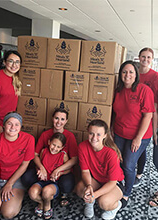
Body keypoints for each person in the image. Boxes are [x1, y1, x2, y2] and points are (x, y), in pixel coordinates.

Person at [112, 60, 155, 207]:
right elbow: (115, 112)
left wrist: (138, 138)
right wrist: (111, 128)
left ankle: (126, 193)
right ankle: (117, 185)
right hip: (119, 133)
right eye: (124, 72)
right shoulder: (118, 90)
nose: (127, 75)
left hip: (139, 135)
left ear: (136, 74)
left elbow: (148, 116)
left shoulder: (144, 90)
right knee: (117, 160)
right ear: (120, 75)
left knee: (129, 165)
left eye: (131, 72)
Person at [0, 112, 35, 219]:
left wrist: (9, 184)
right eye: (9, 123)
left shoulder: (29, 139)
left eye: (17, 124)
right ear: (3, 125)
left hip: (15, 177)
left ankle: (17, 196)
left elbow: (24, 165)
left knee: (7, 213)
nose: (13, 127)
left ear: (20, 127)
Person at [22, 108, 78, 207]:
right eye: (56, 118)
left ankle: (59, 193)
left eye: (62, 119)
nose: (59, 122)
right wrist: (41, 168)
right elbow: (35, 154)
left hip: (61, 170)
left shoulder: (70, 136)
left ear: (66, 121)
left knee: (67, 184)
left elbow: (74, 159)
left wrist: (58, 170)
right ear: (52, 118)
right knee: (26, 177)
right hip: (45, 168)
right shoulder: (45, 135)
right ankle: (40, 188)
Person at [76, 119, 124, 220]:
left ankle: (116, 206)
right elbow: (85, 171)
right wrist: (89, 186)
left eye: (98, 134)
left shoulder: (111, 153)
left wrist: (95, 194)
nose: (94, 138)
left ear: (105, 135)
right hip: (97, 179)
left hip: (114, 183)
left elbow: (112, 182)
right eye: (91, 134)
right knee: (80, 189)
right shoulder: (82, 147)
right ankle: (90, 204)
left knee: (103, 202)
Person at [29, 132, 70, 219]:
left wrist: (60, 173)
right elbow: (37, 165)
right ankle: (41, 203)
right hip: (42, 181)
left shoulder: (63, 155)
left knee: (46, 192)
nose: (55, 148)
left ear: (62, 147)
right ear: (49, 142)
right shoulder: (44, 151)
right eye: (53, 145)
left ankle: (47, 205)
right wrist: (39, 171)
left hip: (53, 183)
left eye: (58, 147)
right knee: (32, 193)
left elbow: (69, 169)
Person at [133, 48, 158, 188]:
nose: (145, 60)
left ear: (152, 60)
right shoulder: (134, 74)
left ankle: (139, 174)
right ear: (139, 57)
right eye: (143, 56)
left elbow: (155, 104)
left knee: (142, 145)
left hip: (148, 116)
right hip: (133, 115)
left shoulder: (155, 76)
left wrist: (155, 130)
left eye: (149, 57)